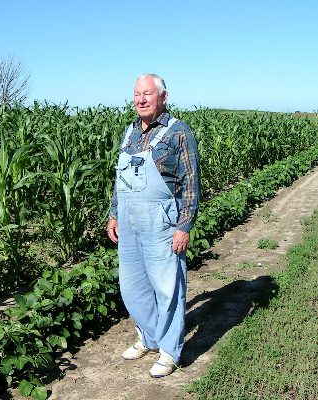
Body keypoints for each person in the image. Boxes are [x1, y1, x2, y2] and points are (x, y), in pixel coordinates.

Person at [107, 73, 200, 378]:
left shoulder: (178, 133)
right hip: (130, 221)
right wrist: (114, 213)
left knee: (167, 287)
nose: (141, 100)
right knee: (132, 287)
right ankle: (149, 337)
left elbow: (190, 183)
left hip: (162, 221)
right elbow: (120, 179)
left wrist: (184, 226)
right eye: (137, 94)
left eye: (147, 94)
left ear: (163, 97)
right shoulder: (130, 132)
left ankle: (170, 351)